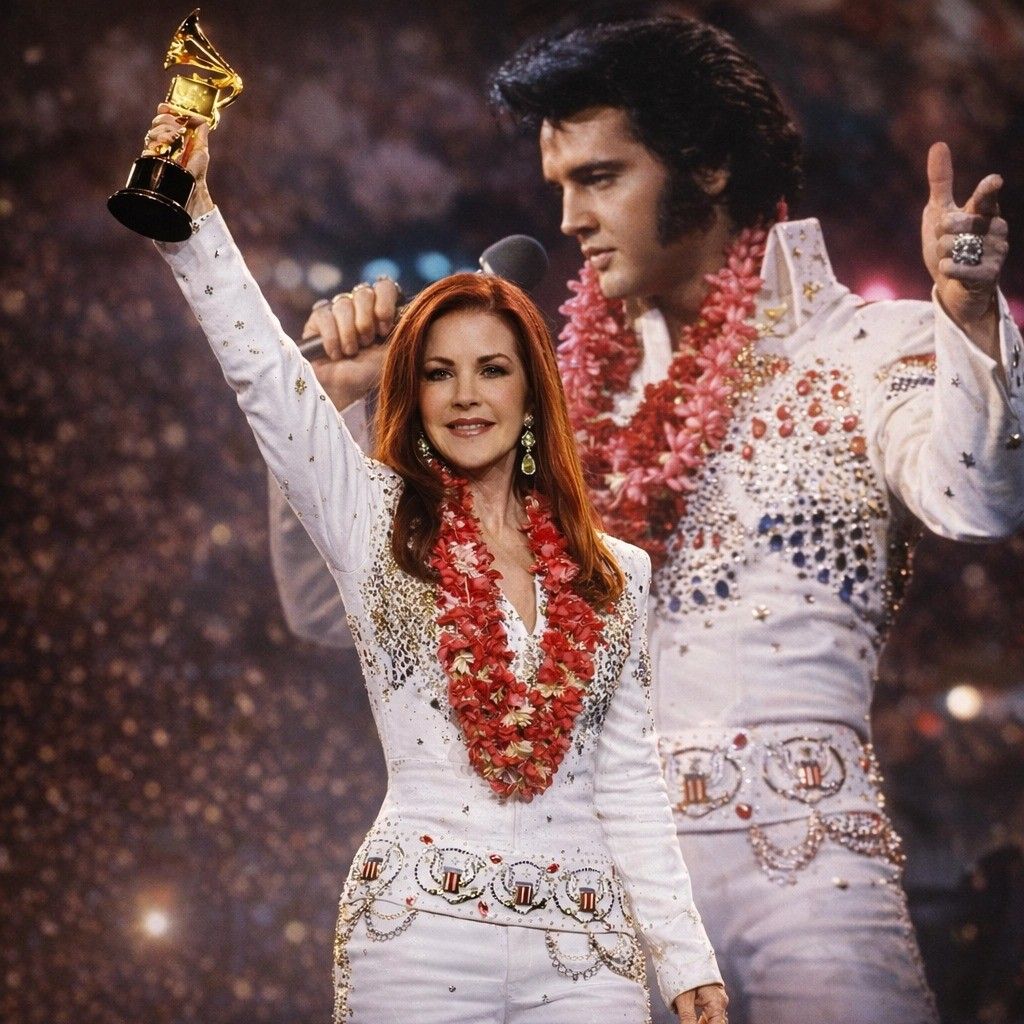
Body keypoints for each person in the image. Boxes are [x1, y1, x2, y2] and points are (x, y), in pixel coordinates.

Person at [270, 13, 1024, 1024]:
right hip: (594, 901)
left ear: (708, 165)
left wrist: (970, 320)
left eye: (599, 178)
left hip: (813, 888)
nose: (571, 219)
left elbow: (980, 500)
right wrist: (339, 408)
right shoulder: (551, 410)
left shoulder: (863, 349)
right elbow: (336, 608)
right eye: (560, 187)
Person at [142, 104, 728, 1024]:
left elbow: (626, 781)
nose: (465, 396)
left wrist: (685, 957)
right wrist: (194, 216)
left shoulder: (614, 574)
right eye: (438, 373)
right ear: (411, 394)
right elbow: (263, 378)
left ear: (532, 391)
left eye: (492, 369)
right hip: (418, 935)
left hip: (586, 952)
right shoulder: (374, 521)